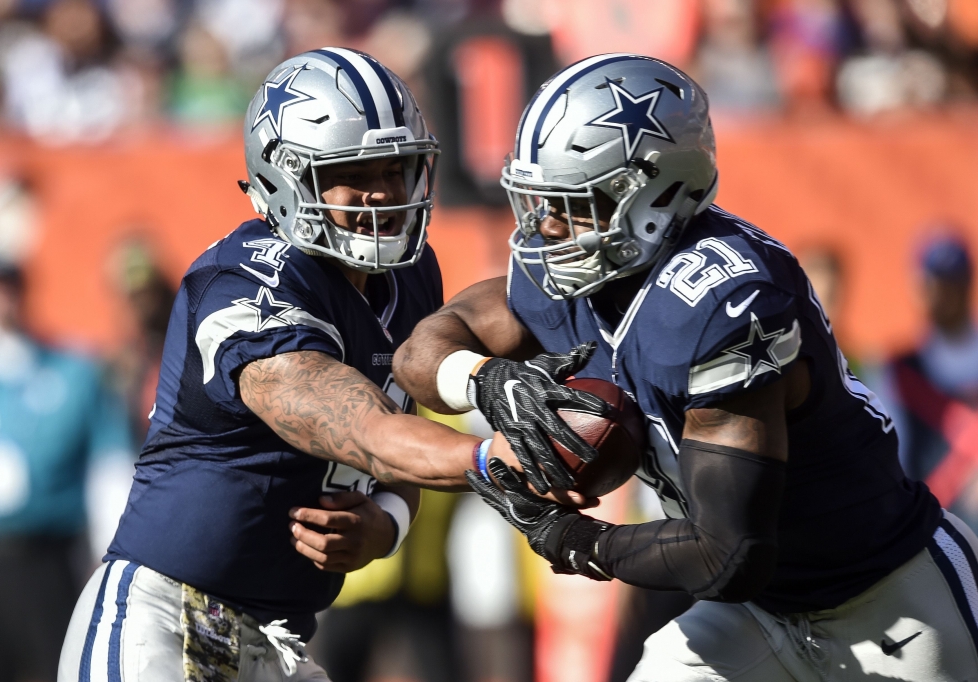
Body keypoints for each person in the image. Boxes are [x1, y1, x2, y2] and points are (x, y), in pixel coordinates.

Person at [393, 53, 978, 681]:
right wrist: (483, 380)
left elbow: (730, 551)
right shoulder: (570, 275)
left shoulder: (721, 301)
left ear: (656, 191)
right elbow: (420, 351)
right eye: (540, 202)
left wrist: (579, 542)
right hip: (757, 612)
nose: (548, 226)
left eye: (574, 202)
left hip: (886, 603)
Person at [56, 48, 558, 682]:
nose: (387, 193)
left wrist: (390, 525)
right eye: (358, 173)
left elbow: (400, 440)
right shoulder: (246, 279)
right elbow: (366, 431)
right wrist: (503, 460)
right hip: (165, 619)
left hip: (280, 642)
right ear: (288, 180)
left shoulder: (410, 273)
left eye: (398, 170)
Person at [0, 248, 133, 682]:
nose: (0, 300)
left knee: (57, 665)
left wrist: (114, 555)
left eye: (7, 287)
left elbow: (109, 465)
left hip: (51, 554)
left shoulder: (72, 370)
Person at [882, 235, 978, 528]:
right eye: (934, 284)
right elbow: (896, 458)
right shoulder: (900, 371)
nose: (942, 294)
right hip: (933, 530)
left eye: (952, 283)